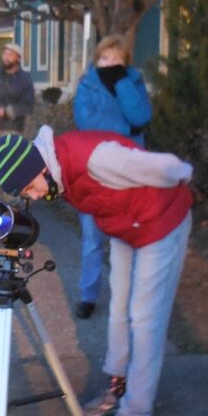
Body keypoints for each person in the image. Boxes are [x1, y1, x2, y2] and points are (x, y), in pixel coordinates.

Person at [0, 126, 193, 416]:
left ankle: (138, 412)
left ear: (39, 166)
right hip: (127, 225)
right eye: (26, 193)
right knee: (119, 307)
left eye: (31, 187)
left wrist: (184, 175)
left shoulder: (93, 158)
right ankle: (117, 387)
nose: (34, 196)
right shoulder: (57, 172)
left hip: (162, 219)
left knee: (145, 316)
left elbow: (163, 167)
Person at [72, 35, 152, 319]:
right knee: (92, 237)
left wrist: (121, 83)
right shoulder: (87, 83)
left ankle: (126, 296)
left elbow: (141, 116)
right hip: (96, 169)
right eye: (104, 58)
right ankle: (88, 295)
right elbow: (86, 122)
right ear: (97, 59)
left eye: (115, 58)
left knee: (126, 237)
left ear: (125, 60)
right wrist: (124, 131)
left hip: (129, 171)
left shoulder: (133, 82)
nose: (109, 63)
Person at [0, 44, 35, 197]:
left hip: (12, 129)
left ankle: (10, 205)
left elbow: (27, 106)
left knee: (11, 167)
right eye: (4, 53)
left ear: (18, 57)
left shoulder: (25, 80)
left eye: (10, 54)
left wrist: (5, 111)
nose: (6, 56)